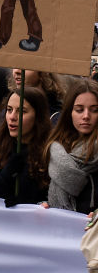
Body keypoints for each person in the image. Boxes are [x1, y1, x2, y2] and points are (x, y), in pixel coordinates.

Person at [0, 87, 51, 205]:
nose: (12, 117)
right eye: (9, 110)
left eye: (22, 111)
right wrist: (6, 173)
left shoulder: (48, 154)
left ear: (37, 116)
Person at [45, 79, 98, 213]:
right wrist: (45, 205)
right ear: (70, 112)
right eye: (79, 110)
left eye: (94, 110)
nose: (86, 116)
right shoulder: (56, 148)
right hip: (58, 228)